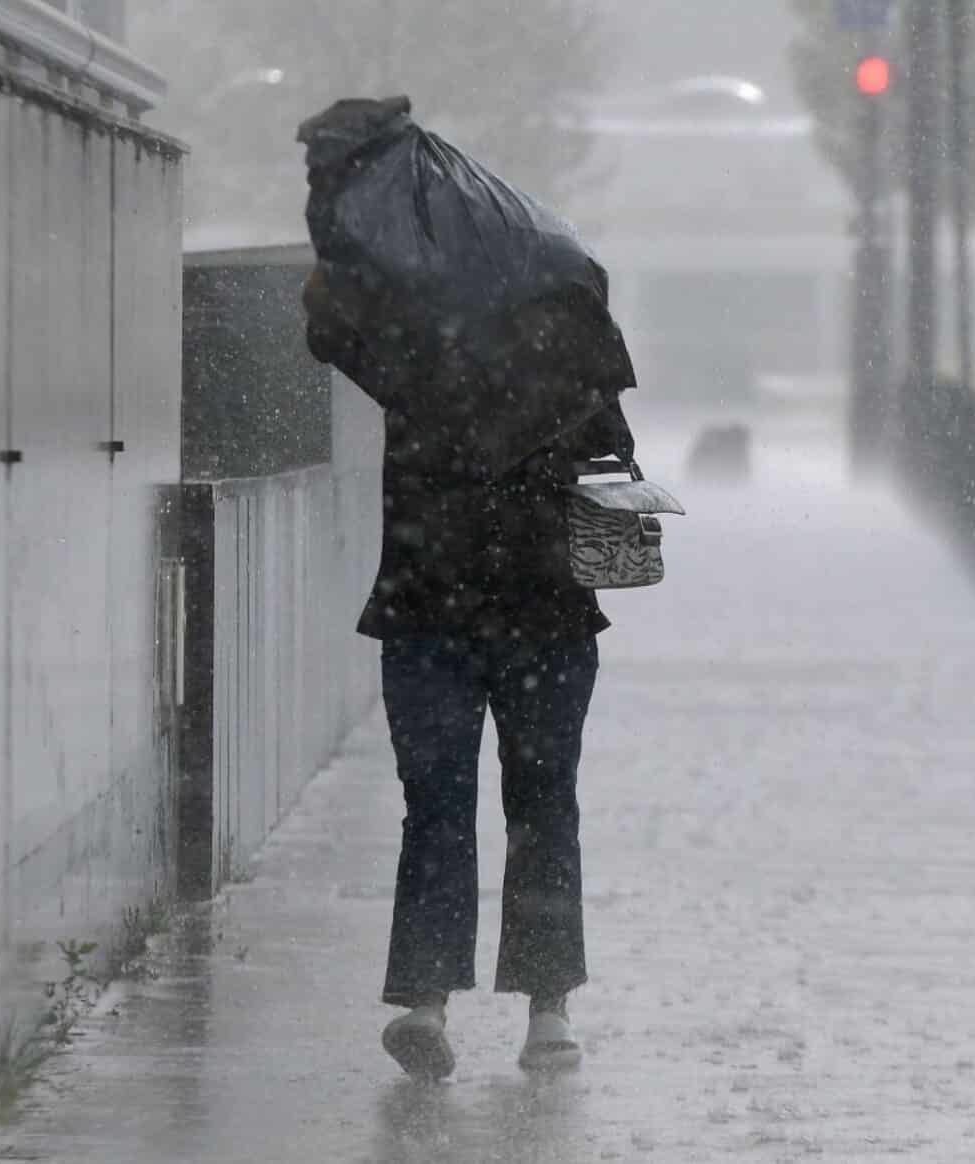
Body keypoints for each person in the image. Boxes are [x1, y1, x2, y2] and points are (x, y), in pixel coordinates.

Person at [304, 264, 634, 1079]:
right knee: (494, 805)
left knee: (489, 805)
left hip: (470, 621)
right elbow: (328, 325)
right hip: (493, 622)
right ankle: (485, 1006)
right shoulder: (430, 355)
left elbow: (617, 465)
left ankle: (498, 1003)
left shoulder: (450, 358)